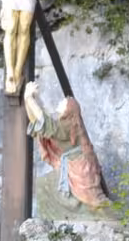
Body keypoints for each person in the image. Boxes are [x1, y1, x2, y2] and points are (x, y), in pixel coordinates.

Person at [22, 81, 109, 215]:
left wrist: (29, 98)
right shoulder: (65, 124)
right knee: (45, 185)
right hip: (73, 166)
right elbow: (37, 121)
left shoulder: (68, 125)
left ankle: (73, 213)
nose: (60, 102)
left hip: (80, 170)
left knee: (94, 203)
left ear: (68, 109)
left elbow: (44, 122)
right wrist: (29, 99)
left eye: (63, 102)